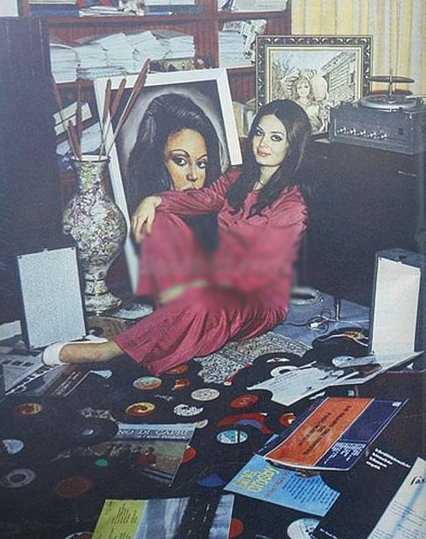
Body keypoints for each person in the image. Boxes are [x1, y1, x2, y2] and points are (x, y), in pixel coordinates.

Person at [42, 99, 312, 376]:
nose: (263, 143)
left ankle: (109, 349)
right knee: (158, 218)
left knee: (208, 300)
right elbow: (201, 198)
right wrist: (154, 200)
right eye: (259, 133)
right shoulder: (238, 177)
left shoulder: (292, 206)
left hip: (254, 300)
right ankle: (177, 315)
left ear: (292, 146)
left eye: (276, 138)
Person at [126, 93, 223, 252]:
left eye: (201, 164)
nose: (193, 175)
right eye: (180, 161)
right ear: (155, 162)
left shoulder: (218, 214)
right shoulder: (158, 223)